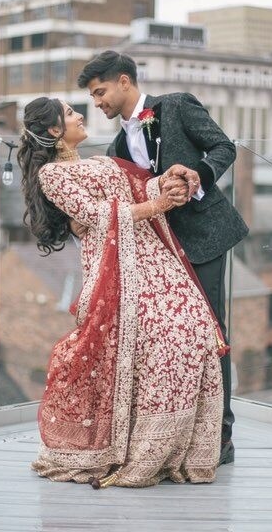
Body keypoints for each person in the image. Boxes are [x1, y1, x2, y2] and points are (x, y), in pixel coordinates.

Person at [18, 96, 228, 488]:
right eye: (69, 113)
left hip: (151, 256)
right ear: (53, 131)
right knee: (163, 337)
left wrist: (165, 184)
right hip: (118, 267)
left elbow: (137, 190)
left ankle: (181, 445)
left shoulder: (99, 162)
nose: (80, 114)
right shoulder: (52, 175)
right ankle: (144, 447)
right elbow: (100, 217)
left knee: (195, 326)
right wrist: (160, 204)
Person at [78, 51, 248, 465]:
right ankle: (184, 431)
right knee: (176, 338)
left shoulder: (176, 105)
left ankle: (221, 437)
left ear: (123, 81)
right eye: (92, 96)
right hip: (165, 251)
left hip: (206, 237)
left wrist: (197, 177)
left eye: (100, 92)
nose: (97, 103)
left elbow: (225, 147)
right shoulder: (118, 144)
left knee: (212, 334)